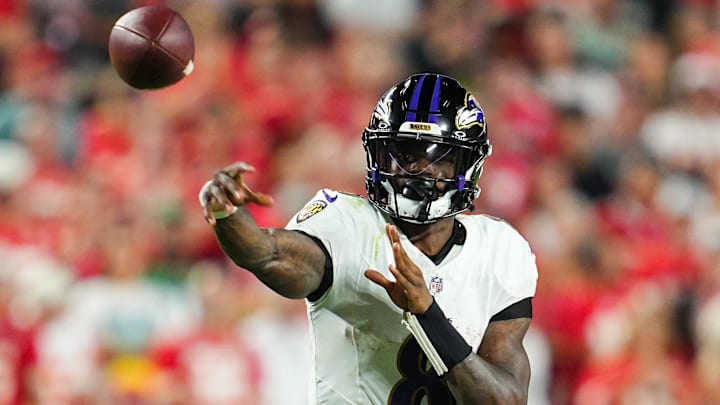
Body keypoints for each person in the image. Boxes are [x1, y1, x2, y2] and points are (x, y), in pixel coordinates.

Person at [198, 73, 538, 404]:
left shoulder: (500, 250)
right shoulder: (347, 224)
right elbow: (267, 254)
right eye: (405, 155)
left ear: (467, 165)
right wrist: (227, 213)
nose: (418, 171)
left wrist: (426, 313)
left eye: (439, 158)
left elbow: (503, 400)